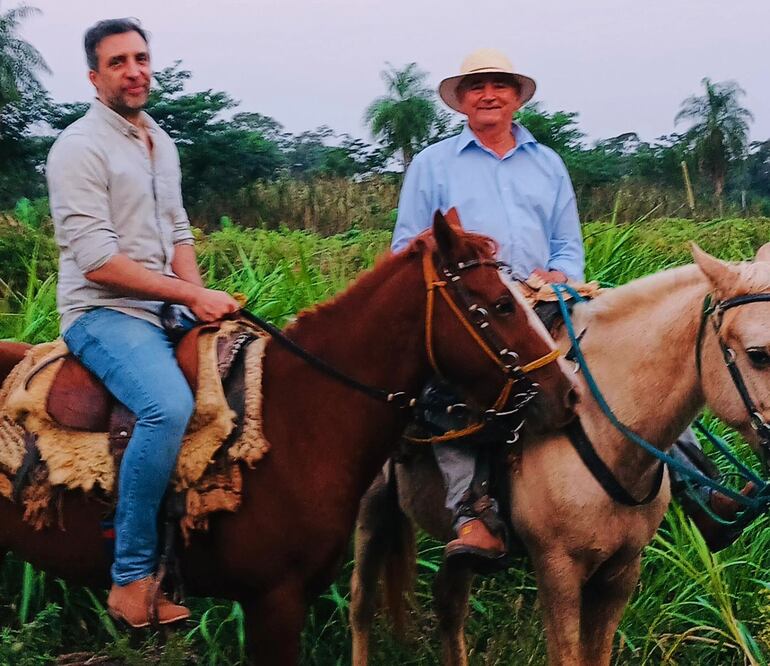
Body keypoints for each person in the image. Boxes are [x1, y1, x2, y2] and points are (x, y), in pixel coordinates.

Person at [46, 18, 240, 627]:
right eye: (118, 62)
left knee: (257, 366)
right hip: (103, 313)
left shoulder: (160, 139)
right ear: (94, 76)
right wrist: (187, 293)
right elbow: (99, 261)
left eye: (140, 58)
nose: (134, 71)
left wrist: (196, 297)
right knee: (166, 407)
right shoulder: (79, 147)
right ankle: (130, 580)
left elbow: (177, 231)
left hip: (163, 307)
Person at [391, 49, 584, 569]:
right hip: (468, 314)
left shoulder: (548, 163)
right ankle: (472, 513)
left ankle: (692, 478)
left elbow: (568, 246)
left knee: (631, 346)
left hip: (544, 303)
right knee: (445, 388)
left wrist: (560, 276)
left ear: (517, 97)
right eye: (477, 86)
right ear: (462, 100)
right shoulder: (434, 163)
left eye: (500, 84)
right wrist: (445, 246)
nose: (489, 94)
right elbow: (404, 248)